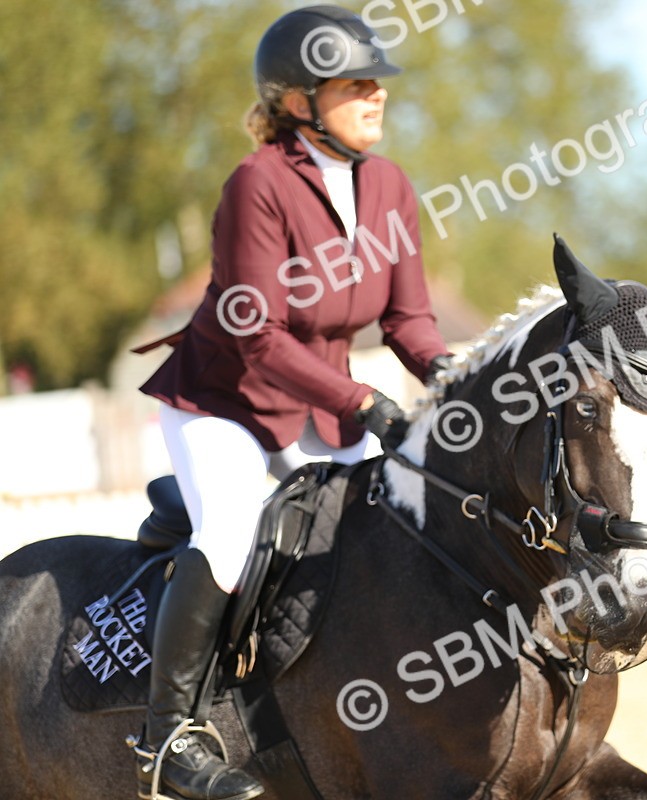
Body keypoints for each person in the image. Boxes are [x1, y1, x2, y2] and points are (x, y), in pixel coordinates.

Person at [131, 6, 452, 799]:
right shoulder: (258, 184)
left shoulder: (388, 185)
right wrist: (366, 400)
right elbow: (258, 335)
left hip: (324, 410)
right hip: (223, 404)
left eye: (379, 83)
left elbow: (407, 319)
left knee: (393, 526)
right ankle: (166, 737)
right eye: (356, 85)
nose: (378, 96)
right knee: (235, 527)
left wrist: (455, 379)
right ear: (299, 101)